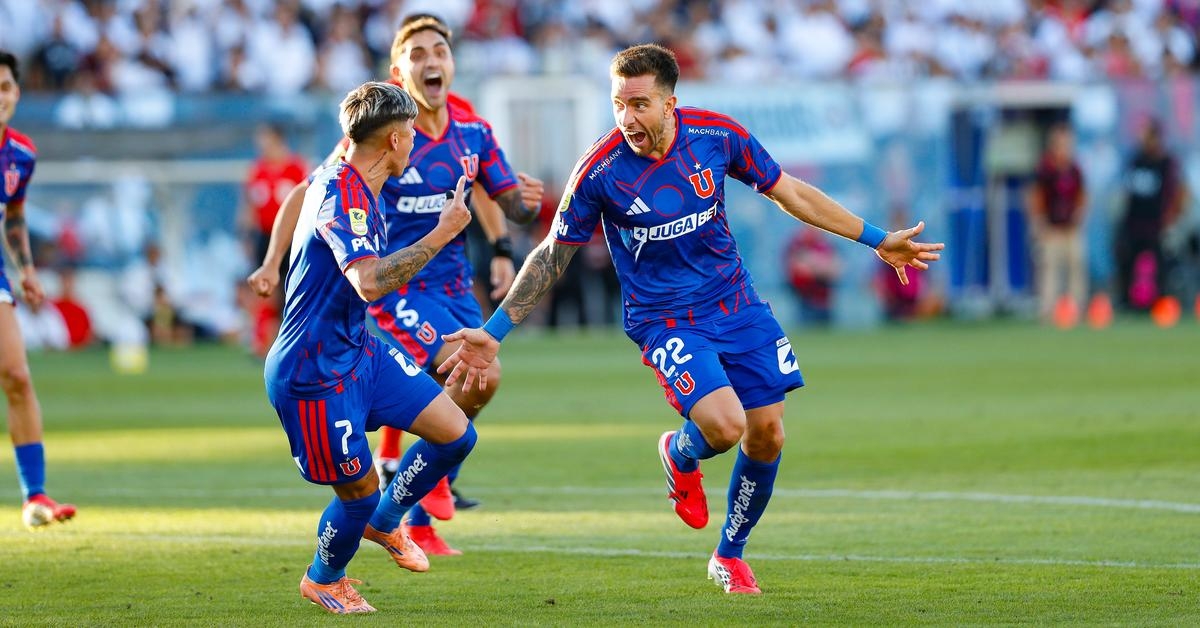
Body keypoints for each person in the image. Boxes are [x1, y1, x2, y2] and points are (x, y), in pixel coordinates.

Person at [438, 44, 943, 595]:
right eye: (618, 105)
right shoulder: (600, 171)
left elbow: (790, 192)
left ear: (670, 102)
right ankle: (680, 451)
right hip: (664, 319)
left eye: (640, 104)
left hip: (736, 302)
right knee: (726, 426)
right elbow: (552, 255)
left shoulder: (716, 136)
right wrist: (493, 332)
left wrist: (874, 239)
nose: (628, 118)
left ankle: (729, 555)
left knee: (768, 433)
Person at [249, 14, 542, 554]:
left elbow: (501, 200)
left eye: (441, 51)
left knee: (474, 387)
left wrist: (520, 215)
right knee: (474, 369)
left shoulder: (472, 131)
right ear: (398, 71)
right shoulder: (369, 150)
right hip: (396, 290)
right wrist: (273, 260)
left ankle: (411, 497)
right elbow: (308, 196)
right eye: (419, 53)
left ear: (452, 64)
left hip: (451, 286)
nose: (432, 61)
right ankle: (396, 489)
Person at [265, 81, 476, 614]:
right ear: (393, 141)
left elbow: (298, 199)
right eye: (409, 134)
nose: (414, 144)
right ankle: (324, 578)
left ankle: (386, 522)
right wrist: (441, 233)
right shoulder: (344, 192)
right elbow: (369, 282)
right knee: (354, 493)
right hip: (313, 372)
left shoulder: (351, 172)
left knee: (455, 434)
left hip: (359, 350)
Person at [0, 50, 78, 530]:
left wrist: (25, 268)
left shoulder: (21, 154)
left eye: (5, 86)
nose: (0, 96)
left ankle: (36, 496)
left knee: (18, 376)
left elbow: (14, 213)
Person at [239, 122, 308, 357]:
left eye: (265, 139)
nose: (261, 145)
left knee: (292, 289)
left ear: (278, 139)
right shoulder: (257, 170)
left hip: (292, 237)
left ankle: (291, 342)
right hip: (264, 237)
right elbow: (248, 206)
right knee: (264, 289)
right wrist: (246, 236)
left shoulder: (296, 168)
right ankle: (262, 341)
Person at [1116, 119, 1187, 311]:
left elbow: (1178, 192)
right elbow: (1127, 192)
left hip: (1157, 224)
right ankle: (1129, 301)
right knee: (1128, 261)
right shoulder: (1135, 161)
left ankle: (1160, 301)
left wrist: (1171, 217)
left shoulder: (1166, 163)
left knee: (1160, 264)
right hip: (1134, 223)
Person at [1025, 123, 1087, 322]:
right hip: (1051, 227)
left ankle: (1076, 309)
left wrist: (1080, 213)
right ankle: (1048, 310)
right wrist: (1038, 220)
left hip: (1070, 227)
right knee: (1050, 268)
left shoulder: (1074, 169)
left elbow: (1082, 195)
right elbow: (1035, 196)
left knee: (1076, 264)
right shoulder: (1045, 169)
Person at [783, 227, 840, 326]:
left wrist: (811, 264)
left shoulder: (825, 245)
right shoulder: (796, 245)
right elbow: (799, 270)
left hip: (825, 299)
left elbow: (835, 270)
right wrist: (820, 266)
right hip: (805, 300)